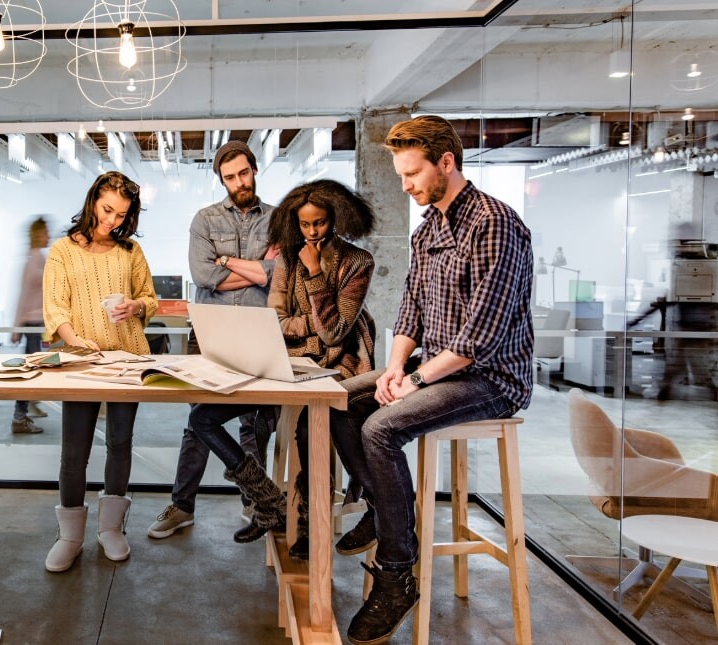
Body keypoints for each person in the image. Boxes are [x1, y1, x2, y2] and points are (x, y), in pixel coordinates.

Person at [328, 115, 534, 644]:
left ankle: (398, 576)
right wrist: (395, 366)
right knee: (335, 398)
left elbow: (479, 337)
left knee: (379, 428)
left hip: (491, 378)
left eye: (413, 173)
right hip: (436, 370)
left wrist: (414, 381)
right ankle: (381, 505)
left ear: (446, 162)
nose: (406, 184)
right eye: (400, 175)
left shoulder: (495, 224)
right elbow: (412, 309)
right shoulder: (427, 229)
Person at [186, 180, 378, 547]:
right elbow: (276, 319)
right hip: (287, 366)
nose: (311, 232)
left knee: (310, 431)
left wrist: (317, 276)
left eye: (319, 223)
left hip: (338, 370)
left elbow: (336, 333)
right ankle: (268, 501)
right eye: (304, 224)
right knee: (202, 418)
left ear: (335, 218)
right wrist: (311, 329)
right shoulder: (287, 259)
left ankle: (307, 527)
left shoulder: (358, 262)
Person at [149, 140, 280, 540]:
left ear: (254, 170)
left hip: (258, 333)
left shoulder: (278, 220)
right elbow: (204, 277)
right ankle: (182, 505)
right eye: (229, 177)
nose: (238, 182)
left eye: (243, 173)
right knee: (198, 423)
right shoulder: (204, 219)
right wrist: (259, 270)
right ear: (220, 179)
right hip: (209, 335)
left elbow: (280, 273)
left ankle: (257, 502)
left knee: (251, 423)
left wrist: (229, 264)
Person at [42, 171, 158, 572]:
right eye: (107, 209)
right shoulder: (62, 250)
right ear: (93, 200)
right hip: (81, 362)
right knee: (74, 452)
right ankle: (69, 535)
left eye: (121, 215)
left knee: (120, 443)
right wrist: (73, 339)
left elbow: (150, 299)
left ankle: (111, 529)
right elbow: (55, 306)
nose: (112, 221)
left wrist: (135, 307)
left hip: (127, 358)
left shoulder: (130, 252)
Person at [9, 217, 50, 434]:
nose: (49, 236)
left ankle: (23, 412)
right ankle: (19, 417)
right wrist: (16, 327)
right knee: (29, 372)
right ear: (37, 234)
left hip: (38, 324)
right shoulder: (33, 260)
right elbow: (24, 295)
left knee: (33, 371)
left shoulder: (39, 258)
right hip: (31, 325)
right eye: (45, 232)